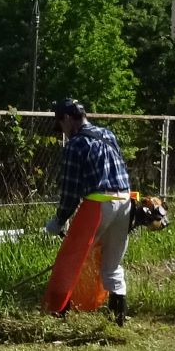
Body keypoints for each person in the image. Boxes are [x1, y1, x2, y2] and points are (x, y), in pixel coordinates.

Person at [43, 98, 134, 323]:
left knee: (69, 260)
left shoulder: (75, 145)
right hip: (125, 201)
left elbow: (71, 190)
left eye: (61, 126)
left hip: (98, 204)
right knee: (112, 264)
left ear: (66, 118)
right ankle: (118, 318)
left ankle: (58, 314)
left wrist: (59, 220)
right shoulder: (108, 135)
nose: (63, 132)